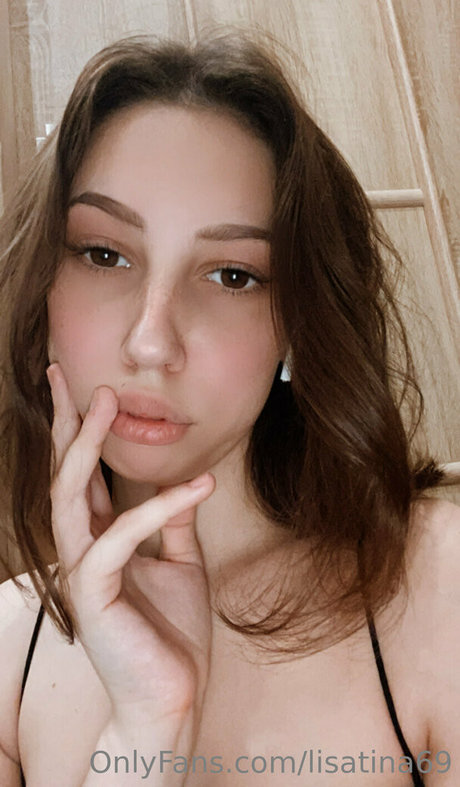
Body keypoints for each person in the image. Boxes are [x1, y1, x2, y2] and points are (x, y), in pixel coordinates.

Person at [0, 31, 459, 786]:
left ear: (299, 324)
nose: (152, 342)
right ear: (41, 290)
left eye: (233, 275)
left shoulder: (437, 584)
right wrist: (145, 739)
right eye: (104, 254)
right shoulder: (10, 646)